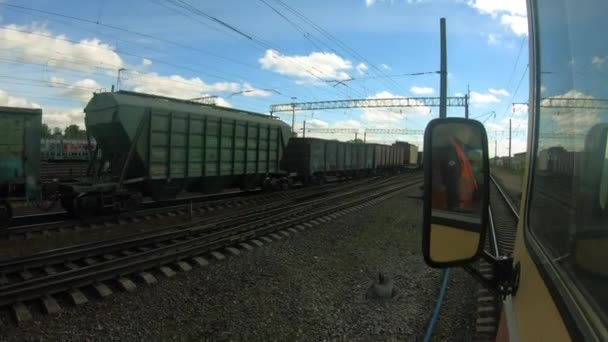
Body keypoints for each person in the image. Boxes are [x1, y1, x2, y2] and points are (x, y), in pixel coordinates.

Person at [431, 126, 479, 213]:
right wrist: (453, 206)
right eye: (467, 130)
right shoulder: (449, 147)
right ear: (458, 131)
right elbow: (451, 179)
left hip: (459, 206)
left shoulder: (457, 148)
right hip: (451, 210)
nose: (469, 135)